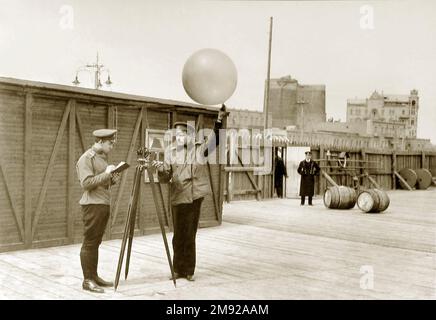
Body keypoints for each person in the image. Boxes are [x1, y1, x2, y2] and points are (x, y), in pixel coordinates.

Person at [153, 105, 226, 281]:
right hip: (177, 195)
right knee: (178, 235)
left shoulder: (200, 149)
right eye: (177, 135)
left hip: (193, 197)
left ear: (190, 136)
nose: (179, 138)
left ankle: (189, 270)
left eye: (182, 135)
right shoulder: (170, 152)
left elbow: (215, 140)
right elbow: (166, 175)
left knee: (189, 234)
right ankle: (177, 269)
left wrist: (218, 120)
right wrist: (160, 169)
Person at [76, 129, 121, 293]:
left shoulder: (102, 158)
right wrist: (106, 174)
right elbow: (86, 183)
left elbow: (100, 182)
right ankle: (87, 280)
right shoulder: (86, 158)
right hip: (92, 205)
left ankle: (94, 276)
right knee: (89, 242)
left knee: (95, 242)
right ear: (100, 141)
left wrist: (111, 179)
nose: (111, 147)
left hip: (102, 204)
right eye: (110, 143)